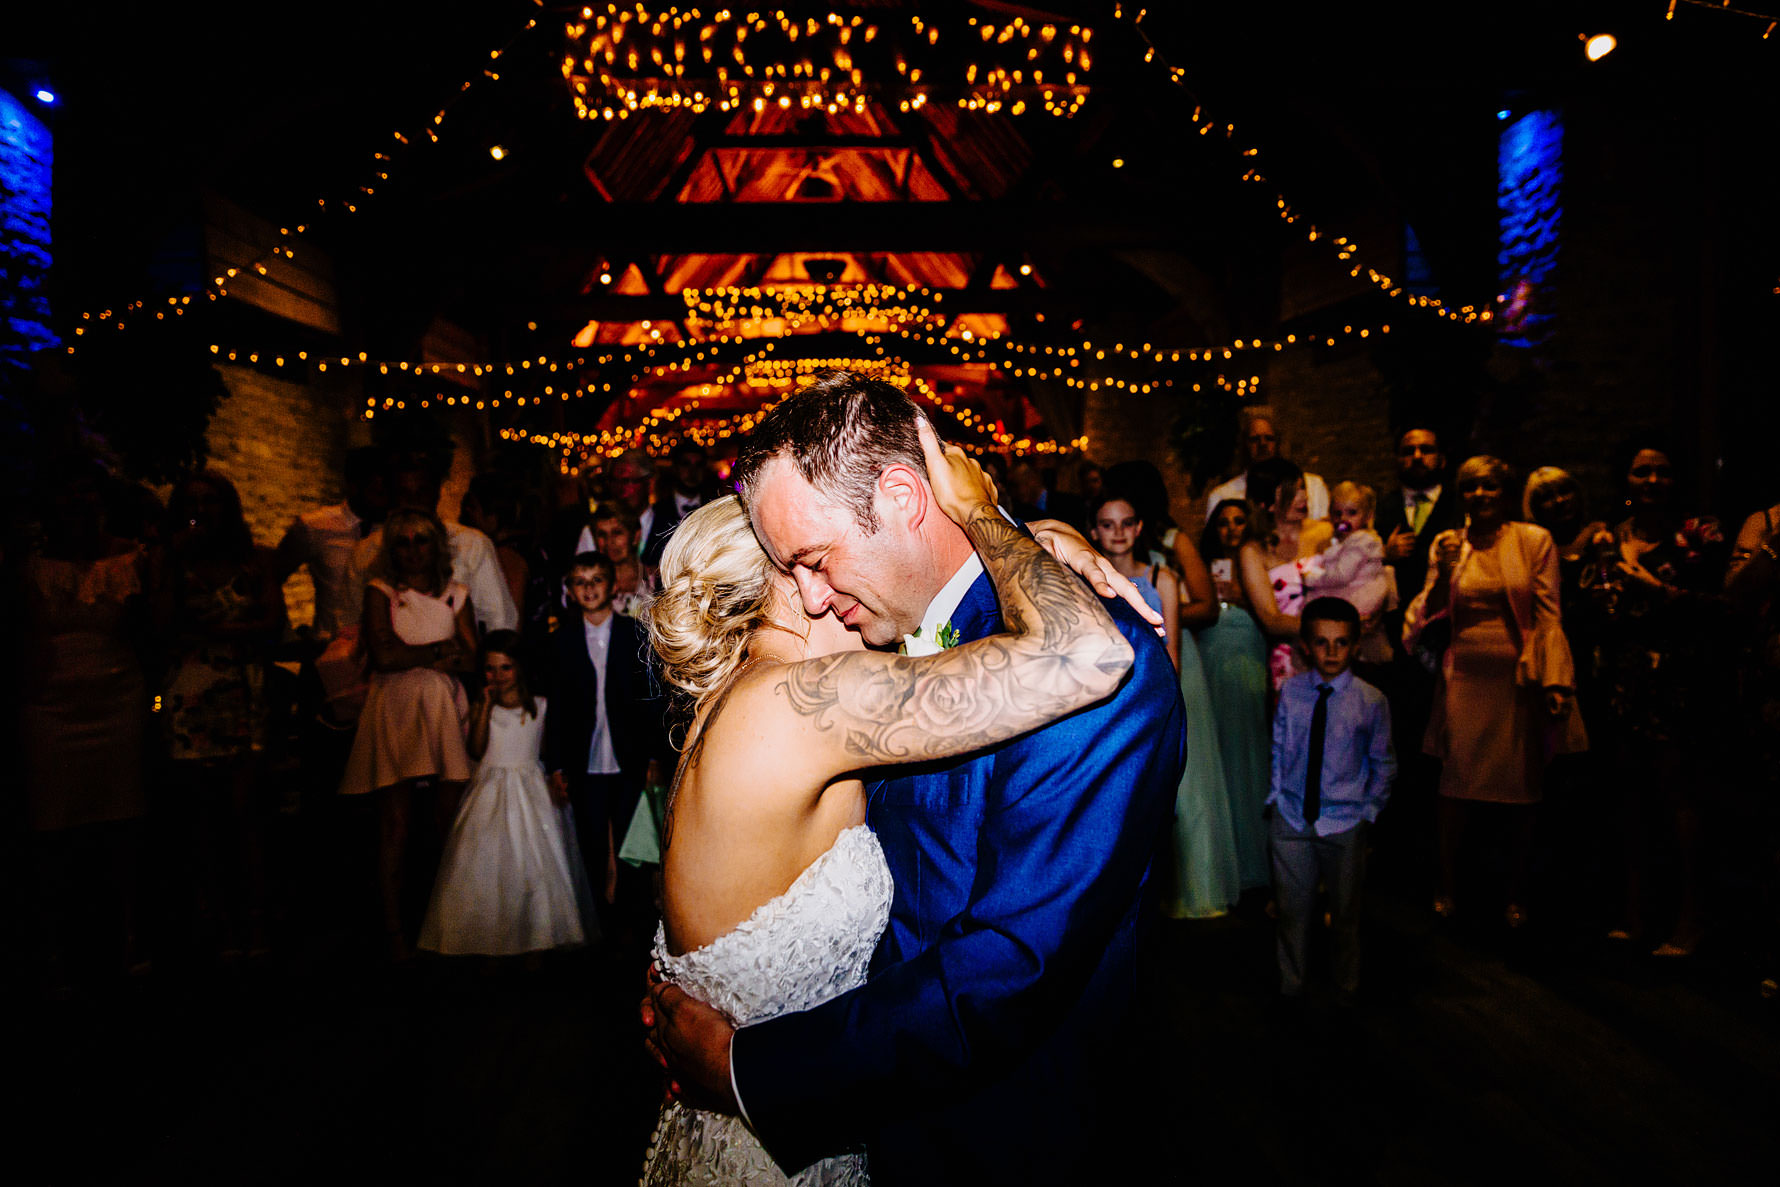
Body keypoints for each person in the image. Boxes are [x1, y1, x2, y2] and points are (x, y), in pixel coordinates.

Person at [643, 373, 1186, 1184]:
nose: (816, 595)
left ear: (903, 495)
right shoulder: (847, 660)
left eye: (818, 559)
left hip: (1002, 1138)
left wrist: (750, 1069)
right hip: (866, 1128)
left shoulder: (1106, 668)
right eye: (792, 570)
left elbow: (1007, 967)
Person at [1404, 456, 1586, 926]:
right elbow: (1429, 616)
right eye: (1470, 488)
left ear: (1504, 493)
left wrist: (1555, 680)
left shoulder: (1532, 539)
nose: (1480, 495)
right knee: (1455, 786)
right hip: (1463, 677)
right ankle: (1447, 887)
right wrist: (1444, 572)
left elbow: (1548, 614)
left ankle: (1515, 893)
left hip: (1517, 681)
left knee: (1521, 791)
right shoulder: (1450, 544)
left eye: (1488, 487)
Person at [1582, 446, 1728, 956]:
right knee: (1629, 799)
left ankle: (1691, 920)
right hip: (1622, 680)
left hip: (1677, 679)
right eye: (1642, 470)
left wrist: (1658, 592)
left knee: (1680, 799)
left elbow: (1725, 608)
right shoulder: (1611, 537)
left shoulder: (1698, 535)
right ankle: (1635, 913)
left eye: (1663, 470)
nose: (1651, 478)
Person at [23, 459, 152, 982]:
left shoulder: (130, 560)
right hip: (47, 704)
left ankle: (128, 934)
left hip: (118, 698)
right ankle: (56, 941)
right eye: (67, 492)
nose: (77, 503)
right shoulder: (27, 566)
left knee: (122, 821)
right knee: (52, 824)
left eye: (86, 492)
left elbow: (149, 632)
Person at [1090, 490, 1239, 919]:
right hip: (1106, 704)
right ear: (1095, 531)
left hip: (1151, 700)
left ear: (1138, 528)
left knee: (1165, 799)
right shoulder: (1085, 580)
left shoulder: (1162, 579)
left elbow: (1171, 651)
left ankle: (1166, 893)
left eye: (1126, 523)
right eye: (1107, 524)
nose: (1117, 532)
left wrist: (1160, 710)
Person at [338, 507, 479, 960]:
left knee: (449, 820)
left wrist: (417, 654)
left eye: (422, 540)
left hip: (440, 706)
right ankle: (395, 929)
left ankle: (451, 923)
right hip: (394, 706)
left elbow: (471, 657)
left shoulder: (456, 592)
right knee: (395, 823)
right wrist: (440, 650)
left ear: (435, 544)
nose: (414, 550)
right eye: (403, 541)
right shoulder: (380, 592)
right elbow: (384, 654)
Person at [158, 470, 286, 958]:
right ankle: (212, 920)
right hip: (189, 694)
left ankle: (254, 918)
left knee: (245, 809)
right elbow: (163, 626)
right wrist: (174, 556)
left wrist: (215, 633)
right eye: (193, 502)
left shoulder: (254, 561)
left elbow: (271, 621)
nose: (202, 511)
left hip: (241, 689)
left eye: (211, 501)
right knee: (200, 815)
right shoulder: (171, 563)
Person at [418, 631, 591, 956]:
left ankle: (535, 941)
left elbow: (543, 750)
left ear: (520, 668)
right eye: (490, 669)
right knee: (487, 868)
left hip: (529, 788)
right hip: (490, 790)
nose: (497, 676)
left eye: (505, 668)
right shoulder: (483, 706)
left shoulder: (540, 706)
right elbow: (477, 749)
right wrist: (482, 708)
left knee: (533, 868)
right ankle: (487, 942)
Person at [1268, 597, 1395, 1002]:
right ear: (1306, 645)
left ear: (1355, 645)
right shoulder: (1291, 692)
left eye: (1342, 642)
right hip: (1291, 818)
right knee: (1292, 914)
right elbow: (1280, 746)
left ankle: (1346, 990)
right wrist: (1275, 796)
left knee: (1345, 915)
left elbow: (1383, 761)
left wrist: (1368, 813)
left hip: (1344, 822)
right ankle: (1292, 988)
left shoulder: (1371, 700)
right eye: (1322, 642)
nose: (1332, 652)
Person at [543, 551, 668, 950]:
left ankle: (635, 921)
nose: (589, 588)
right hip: (585, 757)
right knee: (593, 838)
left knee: (634, 840)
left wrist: (653, 756)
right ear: (569, 591)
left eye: (597, 579)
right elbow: (557, 707)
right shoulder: (560, 640)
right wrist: (556, 763)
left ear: (613, 585)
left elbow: (652, 700)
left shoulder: (634, 632)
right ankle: (600, 921)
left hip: (629, 753)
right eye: (580, 582)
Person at [345, 453, 518, 637]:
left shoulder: (471, 544)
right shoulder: (366, 552)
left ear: (437, 493)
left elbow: (499, 620)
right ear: (391, 496)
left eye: (422, 492)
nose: (414, 501)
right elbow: (352, 622)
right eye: (404, 493)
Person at [1199, 499, 1277, 892]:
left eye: (1239, 521)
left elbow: (1272, 613)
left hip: (1246, 645)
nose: (1231, 529)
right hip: (1210, 649)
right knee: (1218, 748)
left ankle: (1254, 861)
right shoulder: (1200, 563)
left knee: (1248, 745)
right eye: (1224, 523)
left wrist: (1241, 596)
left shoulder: (1259, 559)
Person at [274, 445, 388, 641]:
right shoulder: (315, 526)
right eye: (374, 490)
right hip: (327, 648)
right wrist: (285, 632)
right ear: (353, 485)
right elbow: (273, 575)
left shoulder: (396, 531)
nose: (384, 498)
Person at [1237, 459, 1329, 693]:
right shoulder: (1253, 551)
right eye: (1291, 491)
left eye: (1302, 488)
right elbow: (1270, 619)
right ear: (1266, 502)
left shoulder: (1325, 532)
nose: (1302, 497)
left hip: (1339, 649)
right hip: (1292, 655)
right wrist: (1328, 627)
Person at [1303, 481, 1396, 667]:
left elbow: (1340, 575)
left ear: (1368, 516)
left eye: (1352, 513)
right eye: (1337, 513)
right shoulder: (1344, 540)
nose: (1343, 519)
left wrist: (1311, 576)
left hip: (1357, 595)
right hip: (1350, 591)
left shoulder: (1361, 541)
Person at [1202, 409, 1330, 523]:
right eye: (1254, 439)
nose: (1262, 444)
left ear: (1277, 442)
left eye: (1269, 438)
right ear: (1244, 444)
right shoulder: (1223, 495)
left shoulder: (1314, 486)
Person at [641, 441, 729, 567]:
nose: (692, 471)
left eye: (698, 465)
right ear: (675, 468)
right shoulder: (656, 512)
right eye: (686, 464)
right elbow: (647, 560)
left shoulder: (716, 511)